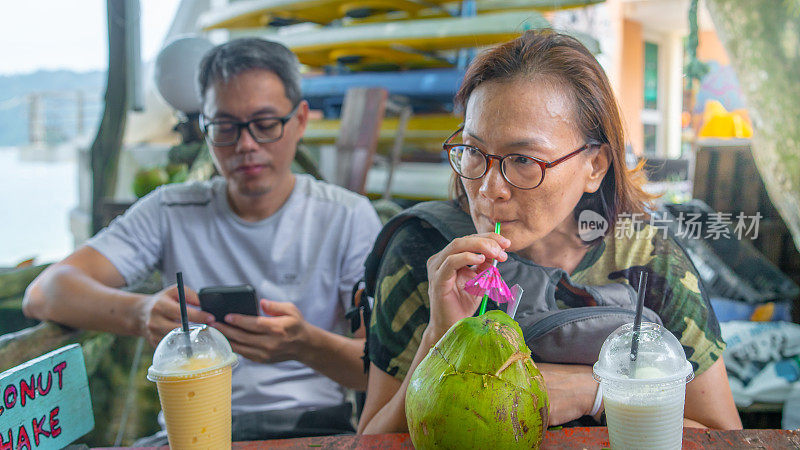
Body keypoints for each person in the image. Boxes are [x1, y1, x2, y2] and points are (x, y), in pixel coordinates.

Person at [358, 30, 742, 433]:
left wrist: (595, 393)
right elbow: (371, 439)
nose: (490, 189)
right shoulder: (427, 252)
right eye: (473, 151)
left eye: (523, 159)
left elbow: (726, 434)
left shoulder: (644, 256)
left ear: (594, 166)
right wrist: (440, 334)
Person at [23, 38, 382, 441]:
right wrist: (140, 313)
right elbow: (45, 292)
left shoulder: (346, 216)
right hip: (187, 431)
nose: (246, 145)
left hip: (310, 425)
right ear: (204, 129)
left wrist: (305, 345)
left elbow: (375, 369)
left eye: (265, 125)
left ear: (299, 120)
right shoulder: (170, 210)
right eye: (225, 128)